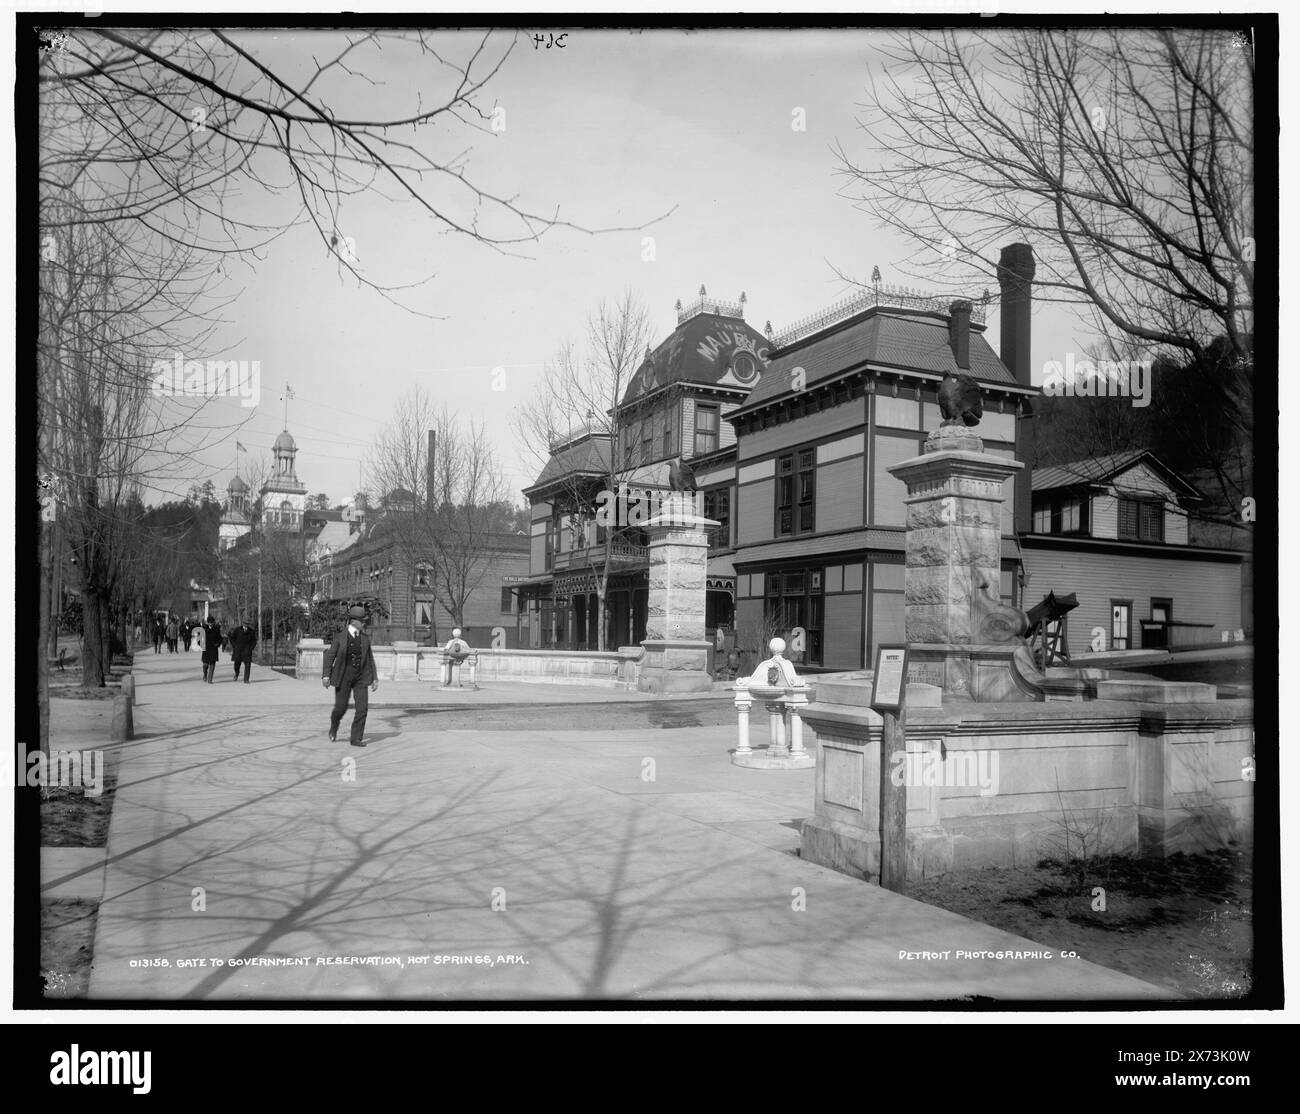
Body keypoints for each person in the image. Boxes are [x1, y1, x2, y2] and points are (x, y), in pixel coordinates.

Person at [322, 606, 379, 747]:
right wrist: (326, 676)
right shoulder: (340, 638)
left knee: (362, 708)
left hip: (361, 677)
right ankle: (334, 726)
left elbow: (370, 658)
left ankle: (356, 738)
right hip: (343, 676)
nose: (365, 623)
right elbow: (330, 657)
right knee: (341, 708)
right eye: (362, 621)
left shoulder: (365, 639)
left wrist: (375, 678)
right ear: (354, 621)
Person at [200, 616, 221, 683]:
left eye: (212, 622)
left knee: (212, 664)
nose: (210, 624)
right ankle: (205, 674)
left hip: (213, 649)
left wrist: (217, 644)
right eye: (209, 622)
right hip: (206, 649)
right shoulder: (204, 629)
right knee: (205, 665)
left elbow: (220, 638)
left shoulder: (216, 629)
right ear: (207, 622)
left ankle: (210, 679)